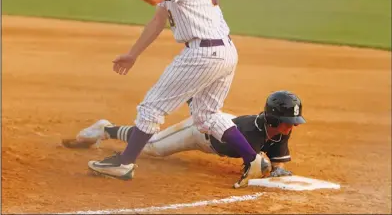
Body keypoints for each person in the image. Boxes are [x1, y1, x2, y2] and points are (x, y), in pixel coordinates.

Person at [86, 0, 268, 188]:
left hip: (203, 53)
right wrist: (133, 54)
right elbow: (158, 19)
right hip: (223, 51)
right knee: (206, 116)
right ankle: (253, 160)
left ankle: (124, 163)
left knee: (152, 107)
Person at [73, 91, 306, 179]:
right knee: (153, 147)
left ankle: (107, 129)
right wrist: (260, 165)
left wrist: (276, 170)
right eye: (288, 122)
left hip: (221, 128)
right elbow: (253, 166)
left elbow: (277, 164)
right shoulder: (249, 131)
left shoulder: (279, 132)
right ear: (274, 119)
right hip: (200, 131)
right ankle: (105, 128)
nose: (292, 127)